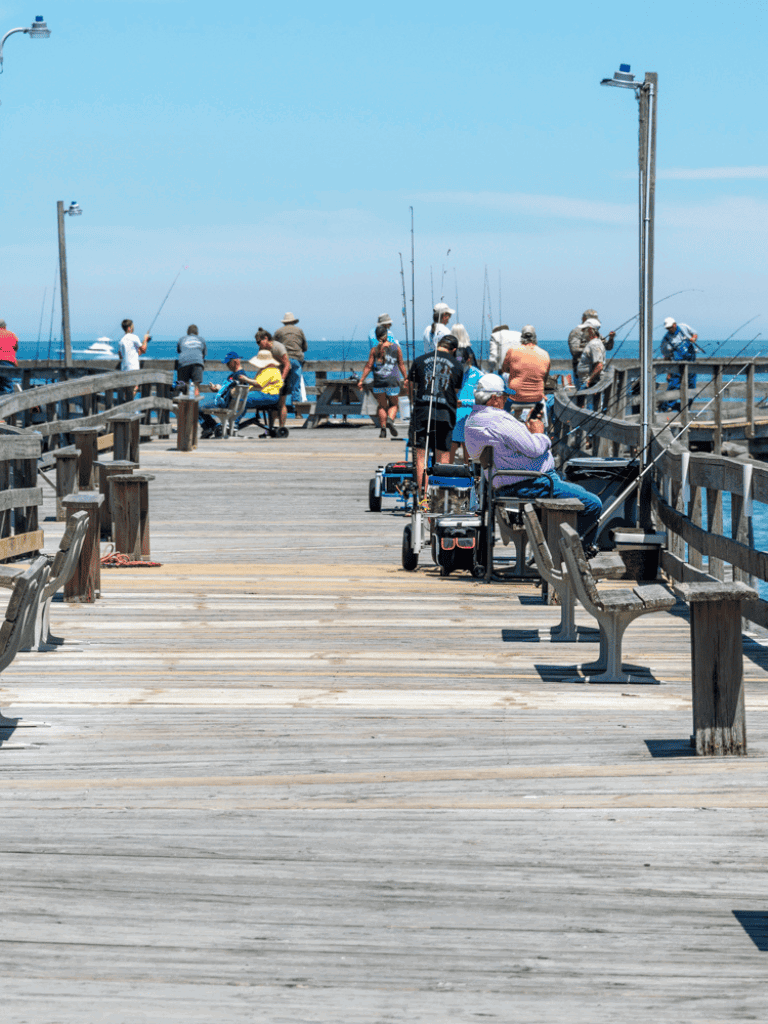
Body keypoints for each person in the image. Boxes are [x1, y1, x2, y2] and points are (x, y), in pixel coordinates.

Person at [464, 373, 602, 537]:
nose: (506, 400)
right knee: (593, 503)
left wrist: (526, 433)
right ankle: (577, 551)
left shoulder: (471, 422)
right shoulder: (499, 420)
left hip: (505, 485)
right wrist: (539, 433)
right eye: (504, 396)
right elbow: (534, 449)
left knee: (576, 489)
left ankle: (559, 544)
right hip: (532, 483)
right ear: (494, 398)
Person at [408, 333, 463, 501]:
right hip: (445, 414)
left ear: (437, 345)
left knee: (421, 458)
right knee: (443, 457)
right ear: (453, 350)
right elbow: (454, 392)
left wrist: (416, 403)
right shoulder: (457, 366)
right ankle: (439, 498)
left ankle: (423, 499)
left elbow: (410, 387)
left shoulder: (419, 360)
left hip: (422, 413)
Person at [359, 324, 407, 438]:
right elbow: (401, 364)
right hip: (392, 381)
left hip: (379, 381)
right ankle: (390, 420)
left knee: (381, 406)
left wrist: (361, 380)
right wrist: (406, 377)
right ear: (387, 335)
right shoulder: (396, 347)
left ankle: (383, 429)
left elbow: (368, 366)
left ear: (376, 337)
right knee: (394, 404)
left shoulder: (374, 350)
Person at [198, 351, 255, 438]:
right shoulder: (237, 375)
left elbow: (233, 392)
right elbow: (230, 390)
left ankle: (211, 427)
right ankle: (213, 427)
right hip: (228, 403)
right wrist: (218, 388)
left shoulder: (240, 376)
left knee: (198, 407)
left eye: (228, 363)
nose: (227, 365)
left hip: (227, 404)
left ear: (235, 362)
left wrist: (221, 390)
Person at [252, 328, 300, 428]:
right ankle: (271, 427)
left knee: (281, 403)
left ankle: (281, 427)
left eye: (259, 341)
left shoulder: (278, 347)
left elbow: (287, 364)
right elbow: (262, 364)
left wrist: (282, 379)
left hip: (283, 374)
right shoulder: (262, 349)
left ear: (265, 338)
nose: (258, 344)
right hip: (271, 375)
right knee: (271, 403)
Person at [450, 346, 483, 464]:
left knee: (467, 447)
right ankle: (446, 472)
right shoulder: (452, 373)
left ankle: (469, 472)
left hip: (469, 417)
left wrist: (463, 402)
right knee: (451, 445)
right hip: (454, 417)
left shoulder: (479, 376)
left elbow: (481, 400)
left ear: (468, 360)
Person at [501, 325, 550, 404]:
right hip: (537, 397)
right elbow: (544, 377)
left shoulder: (512, 350)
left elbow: (504, 369)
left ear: (521, 337)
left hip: (515, 396)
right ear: (535, 337)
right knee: (551, 399)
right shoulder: (545, 354)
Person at [237, 349, 283, 431]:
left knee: (243, 399)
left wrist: (246, 379)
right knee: (241, 398)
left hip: (269, 395)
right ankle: (234, 421)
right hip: (263, 394)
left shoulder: (271, 371)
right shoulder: (265, 370)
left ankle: (234, 422)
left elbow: (258, 384)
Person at [661, 316, 698, 409]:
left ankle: (687, 407)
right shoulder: (666, 339)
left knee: (691, 384)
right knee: (674, 384)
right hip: (676, 364)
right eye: (667, 328)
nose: (669, 329)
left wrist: (693, 338)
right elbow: (667, 357)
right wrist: (668, 373)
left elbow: (695, 334)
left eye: (670, 327)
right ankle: (667, 407)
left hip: (691, 361)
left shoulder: (684, 327)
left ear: (674, 324)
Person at [568, 308, 615, 380]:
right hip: (583, 374)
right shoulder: (576, 332)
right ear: (584, 319)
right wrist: (593, 346)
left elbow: (608, 347)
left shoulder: (596, 333)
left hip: (596, 371)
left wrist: (611, 339)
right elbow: (574, 351)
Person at [273, 312, 307, 407]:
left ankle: (279, 406)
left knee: (281, 383)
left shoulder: (278, 331)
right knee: (296, 385)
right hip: (296, 359)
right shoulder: (299, 331)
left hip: (283, 360)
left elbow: (273, 346)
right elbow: (305, 347)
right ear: (293, 321)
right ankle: (297, 409)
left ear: (284, 322)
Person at [176, 324, 207, 397]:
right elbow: (204, 354)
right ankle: (195, 406)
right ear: (197, 333)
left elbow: (179, 350)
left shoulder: (182, 339)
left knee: (183, 387)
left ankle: (183, 407)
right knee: (196, 386)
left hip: (183, 362)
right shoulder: (201, 339)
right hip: (197, 362)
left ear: (187, 332)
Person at [576, 318, 607, 389]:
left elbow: (599, 365)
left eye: (584, 329)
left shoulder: (594, 344)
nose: (582, 331)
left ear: (590, 329)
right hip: (588, 383)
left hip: (590, 385)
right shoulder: (594, 343)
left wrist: (589, 381)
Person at [0, 319, 19, 394]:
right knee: (8, 385)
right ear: (4, 326)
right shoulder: (11, 334)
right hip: (8, 362)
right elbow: (16, 347)